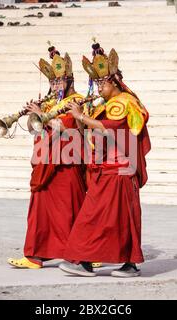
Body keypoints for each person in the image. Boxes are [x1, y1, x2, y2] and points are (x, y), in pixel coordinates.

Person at [58, 41, 151, 277]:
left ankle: (124, 263)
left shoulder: (125, 103)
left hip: (120, 169)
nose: (98, 88)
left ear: (114, 82)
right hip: (105, 168)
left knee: (113, 217)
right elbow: (90, 132)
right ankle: (86, 260)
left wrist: (82, 116)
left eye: (101, 82)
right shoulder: (106, 104)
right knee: (102, 217)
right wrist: (79, 117)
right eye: (96, 83)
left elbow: (114, 128)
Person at [7, 44, 87, 269]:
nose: (55, 86)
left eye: (59, 81)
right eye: (52, 82)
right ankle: (35, 255)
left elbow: (65, 127)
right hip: (46, 163)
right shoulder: (51, 103)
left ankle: (84, 254)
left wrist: (42, 114)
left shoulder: (78, 101)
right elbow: (37, 129)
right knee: (39, 211)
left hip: (66, 163)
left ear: (69, 81)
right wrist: (33, 114)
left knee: (70, 210)